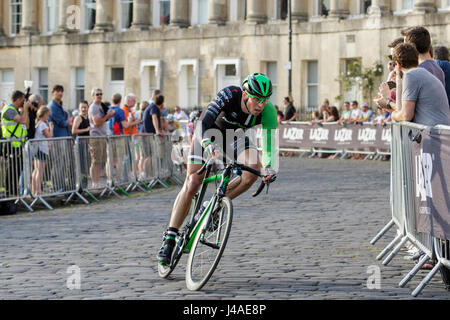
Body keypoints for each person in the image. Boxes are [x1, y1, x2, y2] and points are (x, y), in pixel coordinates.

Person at [156, 73, 278, 265]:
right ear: (246, 94)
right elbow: (204, 122)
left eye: (265, 100)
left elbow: (270, 145)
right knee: (193, 181)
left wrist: (269, 167)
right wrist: (207, 144)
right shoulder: (230, 94)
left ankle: (214, 204)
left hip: (233, 137)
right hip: (207, 133)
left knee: (253, 169)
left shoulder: (268, 111)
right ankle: (170, 238)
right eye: (257, 99)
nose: (261, 105)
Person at [375, 43, 450, 127]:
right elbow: (404, 110)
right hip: (437, 133)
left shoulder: (410, 75)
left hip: (432, 136)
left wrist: (388, 105)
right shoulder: (420, 72)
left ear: (398, 65)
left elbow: (405, 116)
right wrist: (388, 102)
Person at [1, 90, 30, 198]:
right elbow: (22, 121)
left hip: (18, 145)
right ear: (18, 100)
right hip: (11, 145)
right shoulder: (9, 110)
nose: (24, 102)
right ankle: (10, 194)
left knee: (17, 170)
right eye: (23, 100)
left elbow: (26, 125)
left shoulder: (16, 110)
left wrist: (24, 110)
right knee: (11, 171)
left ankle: (14, 193)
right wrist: (25, 109)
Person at [88, 88, 115, 189]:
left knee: (100, 161)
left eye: (101, 94)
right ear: (93, 96)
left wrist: (109, 114)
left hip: (102, 136)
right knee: (95, 161)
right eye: (97, 94)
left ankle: (97, 182)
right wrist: (108, 116)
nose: (99, 96)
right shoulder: (94, 107)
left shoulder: (101, 105)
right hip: (96, 136)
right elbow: (97, 122)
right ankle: (94, 183)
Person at [32, 106, 53, 195]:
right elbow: (49, 136)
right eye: (47, 115)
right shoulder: (43, 124)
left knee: (36, 171)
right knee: (40, 172)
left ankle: (34, 190)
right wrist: (51, 128)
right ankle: (38, 191)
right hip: (42, 149)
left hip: (38, 149)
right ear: (44, 115)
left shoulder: (38, 123)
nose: (48, 117)